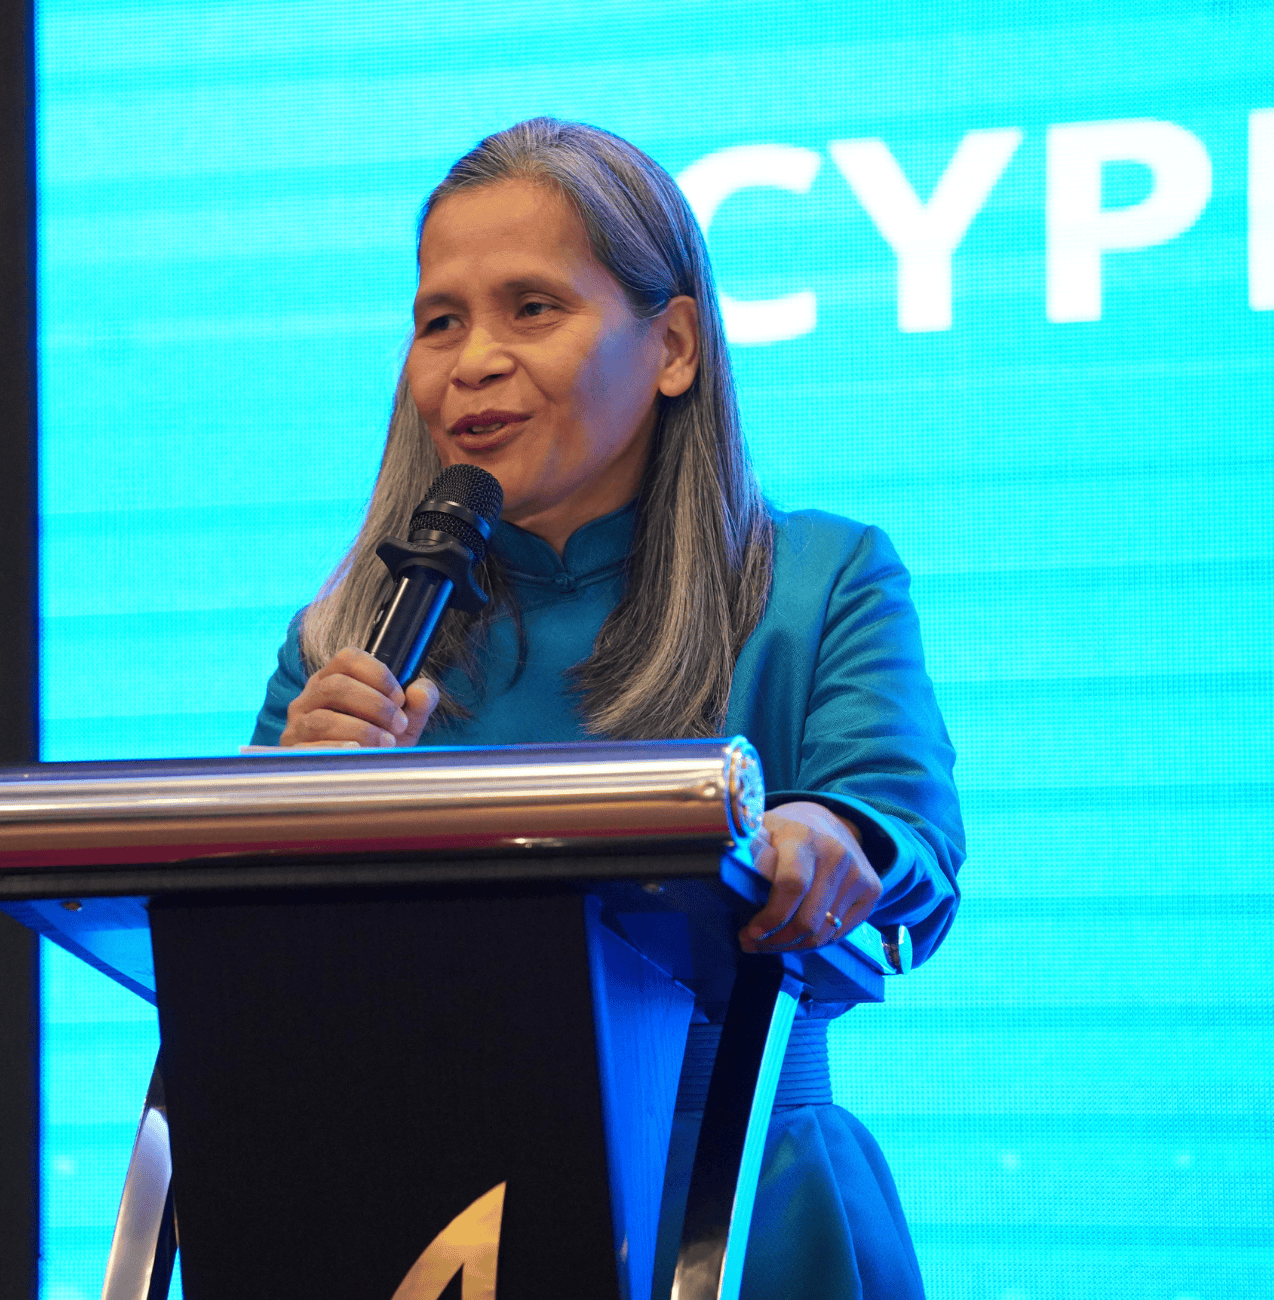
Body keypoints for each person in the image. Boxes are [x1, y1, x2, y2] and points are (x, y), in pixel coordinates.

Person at [247, 118, 964, 1299]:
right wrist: (289, 802)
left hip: (733, 1200)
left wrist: (835, 840)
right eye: (440, 321)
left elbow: (904, 834)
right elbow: (247, 989)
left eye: (532, 307)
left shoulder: (821, 580)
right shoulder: (348, 643)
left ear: (673, 342)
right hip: (419, 1212)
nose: (470, 361)